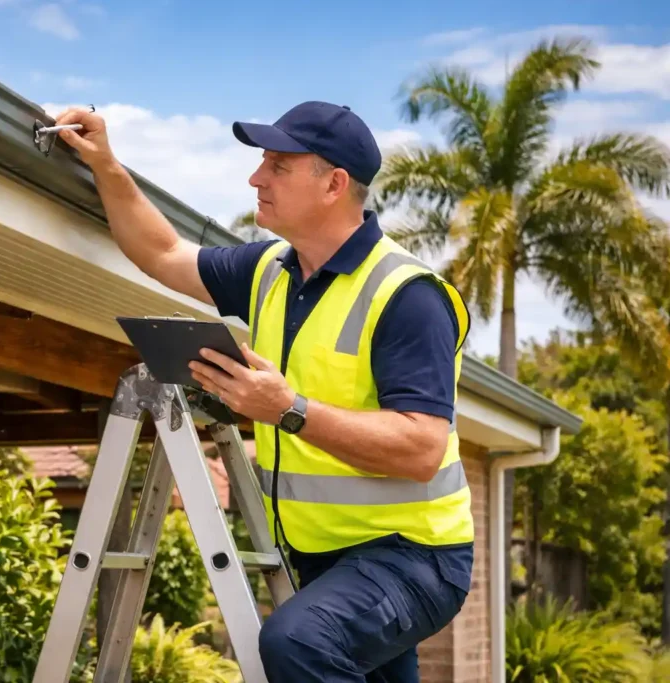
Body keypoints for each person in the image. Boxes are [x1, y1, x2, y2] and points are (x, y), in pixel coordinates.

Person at [51, 100, 474, 682]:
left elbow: (422, 450)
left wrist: (288, 410)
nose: (256, 177)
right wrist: (106, 165)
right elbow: (163, 253)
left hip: (413, 558)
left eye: (277, 165)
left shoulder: (408, 296)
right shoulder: (271, 270)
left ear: (334, 184)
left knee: (295, 643)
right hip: (321, 560)